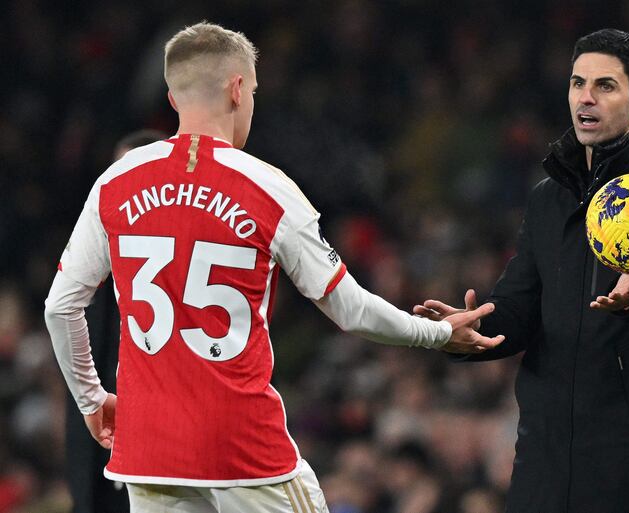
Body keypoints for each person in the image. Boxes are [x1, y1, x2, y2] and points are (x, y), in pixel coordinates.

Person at [44, 22, 503, 513]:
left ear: (174, 99)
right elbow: (349, 309)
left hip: (150, 451)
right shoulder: (267, 188)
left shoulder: (117, 180)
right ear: (239, 89)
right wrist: (434, 334)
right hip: (243, 448)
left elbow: (60, 307)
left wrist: (92, 401)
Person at [415, 29, 629, 513]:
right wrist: (473, 331)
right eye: (578, 83)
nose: (586, 97)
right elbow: (521, 306)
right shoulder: (547, 198)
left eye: (605, 86)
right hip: (545, 457)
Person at [64, 129, 166, 513]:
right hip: (97, 454)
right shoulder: (88, 261)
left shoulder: (181, 272)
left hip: (161, 456)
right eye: (113, 173)